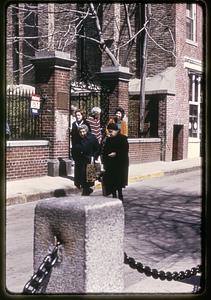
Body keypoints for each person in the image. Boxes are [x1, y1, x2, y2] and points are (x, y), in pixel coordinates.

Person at [102, 122, 129, 200]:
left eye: (111, 131)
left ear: (116, 130)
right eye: (109, 131)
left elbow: (125, 150)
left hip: (120, 163)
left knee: (119, 180)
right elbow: (104, 151)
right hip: (111, 163)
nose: (110, 133)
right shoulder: (108, 139)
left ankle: (120, 194)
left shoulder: (123, 138)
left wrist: (116, 153)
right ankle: (114, 195)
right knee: (112, 180)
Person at [71, 124, 101, 195]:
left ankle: (87, 190)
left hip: (89, 160)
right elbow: (73, 150)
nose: (82, 133)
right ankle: (84, 189)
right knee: (80, 177)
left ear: (86, 131)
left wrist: (94, 157)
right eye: (80, 132)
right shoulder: (76, 138)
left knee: (88, 178)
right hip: (80, 161)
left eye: (83, 131)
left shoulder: (92, 138)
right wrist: (75, 158)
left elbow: (98, 148)